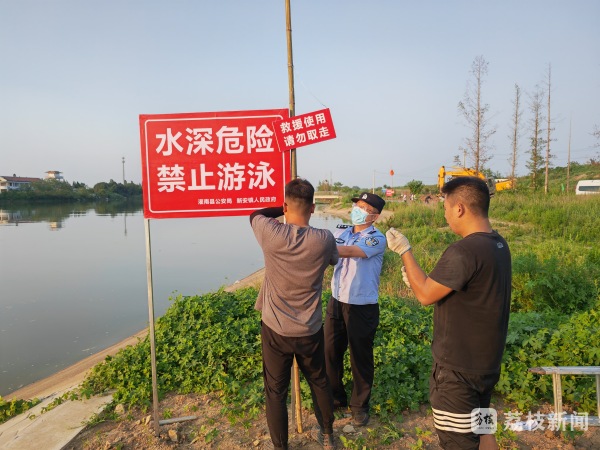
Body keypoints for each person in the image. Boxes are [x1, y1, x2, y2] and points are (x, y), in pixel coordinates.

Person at [386, 176, 511, 450]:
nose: (445, 214)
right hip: (485, 368)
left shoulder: (464, 250)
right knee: (484, 431)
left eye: (445, 207)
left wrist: (405, 251)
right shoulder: (498, 244)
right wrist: (419, 280)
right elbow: (451, 290)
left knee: (459, 443)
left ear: (460, 208)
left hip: (457, 375)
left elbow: (425, 295)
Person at [250, 178, 338, 450]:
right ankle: (327, 435)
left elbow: (255, 214)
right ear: (313, 208)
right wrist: (294, 208)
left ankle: (281, 446)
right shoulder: (324, 239)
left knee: (276, 392)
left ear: (286, 206)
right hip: (309, 328)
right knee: (319, 382)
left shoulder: (272, 234)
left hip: (275, 328)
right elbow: (334, 260)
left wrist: (283, 208)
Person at [325, 192, 387, 427]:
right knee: (330, 351)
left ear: (375, 216)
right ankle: (336, 396)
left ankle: (360, 406)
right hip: (336, 300)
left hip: (362, 306)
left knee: (360, 356)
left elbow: (350, 252)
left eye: (364, 208)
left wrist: (317, 247)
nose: (358, 211)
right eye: (357, 206)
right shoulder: (340, 232)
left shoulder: (376, 238)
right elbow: (330, 257)